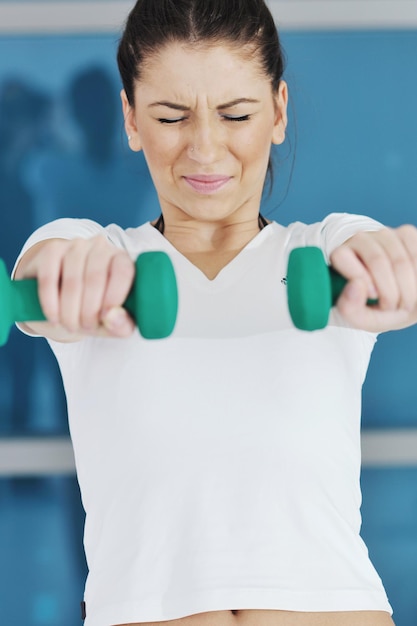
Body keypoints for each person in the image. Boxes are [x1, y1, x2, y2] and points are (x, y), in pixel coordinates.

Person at [12, 1, 417, 625]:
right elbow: (44, 266)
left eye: (236, 114)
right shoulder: (98, 255)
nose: (204, 148)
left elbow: (368, 250)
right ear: (131, 119)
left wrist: (392, 264)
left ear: (279, 111)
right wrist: (66, 277)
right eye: (171, 116)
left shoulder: (327, 248)